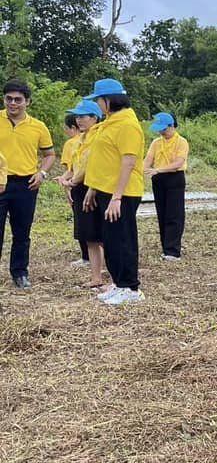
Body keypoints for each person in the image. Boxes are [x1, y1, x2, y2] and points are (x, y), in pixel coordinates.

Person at [83, 78, 146, 305]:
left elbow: (128, 161)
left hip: (122, 193)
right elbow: (103, 159)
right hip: (105, 190)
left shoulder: (127, 125)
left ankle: (130, 288)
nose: (97, 105)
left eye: (99, 100)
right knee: (110, 240)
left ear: (109, 100)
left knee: (123, 239)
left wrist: (117, 196)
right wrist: (93, 187)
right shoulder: (111, 122)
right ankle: (119, 283)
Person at [0, 79, 56, 288]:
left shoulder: (38, 127)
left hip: (25, 184)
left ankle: (20, 272)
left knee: (22, 231)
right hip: (0, 182)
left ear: (27, 102)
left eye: (18, 100)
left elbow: (49, 154)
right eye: (9, 99)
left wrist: (42, 173)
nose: (13, 103)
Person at [58, 100, 107, 289]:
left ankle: (115, 272)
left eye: (83, 116)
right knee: (89, 236)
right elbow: (73, 166)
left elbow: (90, 165)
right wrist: (66, 179)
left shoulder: (99, 137)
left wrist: (74, 181)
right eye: (77, 116)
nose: (79, 120)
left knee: (103, 235)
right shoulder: (80, 139)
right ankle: (96, 277)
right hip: (80, 188)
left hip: (94, 187)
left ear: (94, 117)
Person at [144, 113, 189, 261]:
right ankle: (166, 247)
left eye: (163, 129)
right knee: (162, 213)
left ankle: (173, 251)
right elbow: (148, 160)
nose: (161, 132)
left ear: (171, 126)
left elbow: (178, 163)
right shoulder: (156, 142)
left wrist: (158, 170)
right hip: (158, 179)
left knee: (174, 214)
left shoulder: (181, 142)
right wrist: (140, 170)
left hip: (174, 178)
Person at [60, 114, 90, 268]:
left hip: (77, 185)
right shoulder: (88, 140)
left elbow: (69, 169)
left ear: (73, 128)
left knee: (81, 223)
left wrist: (66, 186)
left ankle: (86, 257)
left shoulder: (71, 144)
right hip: (91, 185)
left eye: (66, 128)